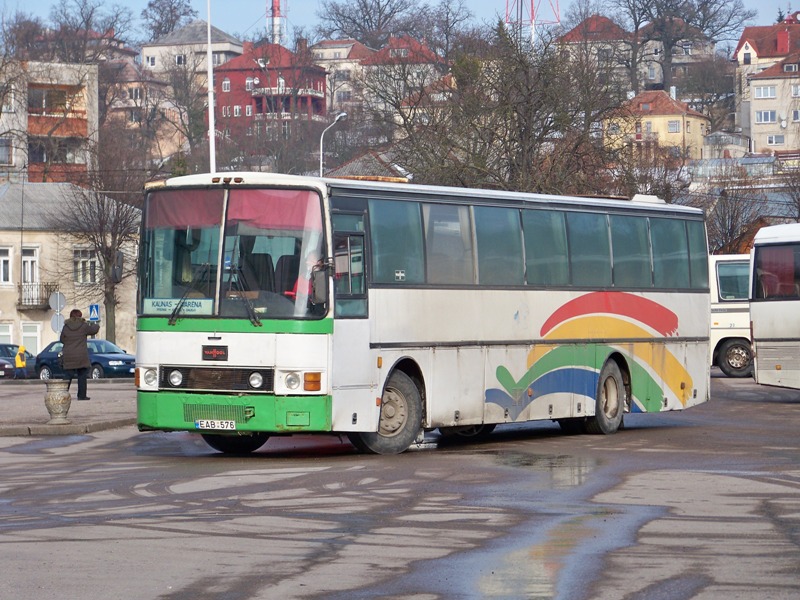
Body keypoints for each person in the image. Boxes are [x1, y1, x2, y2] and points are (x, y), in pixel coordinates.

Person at [60, 308, 100, 400]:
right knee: (82, 376)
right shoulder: (83, 326)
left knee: (67, 376)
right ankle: (81, 395)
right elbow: (93, 330)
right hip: (81, 355)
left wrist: (69, 343)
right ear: (80, 316)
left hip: (69, 355)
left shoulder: (66, 327)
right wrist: (96, 325)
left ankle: (63, 395)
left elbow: (62, 339)